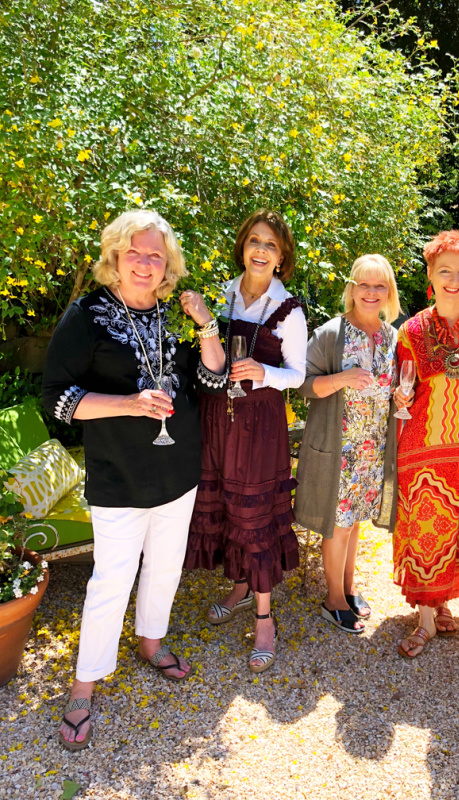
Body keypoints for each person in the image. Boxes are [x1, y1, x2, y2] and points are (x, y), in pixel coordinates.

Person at [42, 210, 227, 750]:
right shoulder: (87, 316)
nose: (145, 264)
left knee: (166, 566)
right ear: (115, 257)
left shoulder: (175, 315)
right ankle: (83, 685)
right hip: (118, 475)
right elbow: (57, 398)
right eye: (135, 253)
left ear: (168, 263)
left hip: (179, 469)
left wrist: (206, 324)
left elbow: (214, 380)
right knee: (111, 580)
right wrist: (127, 403)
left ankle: (151, 641)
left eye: (155, 255)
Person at [184, 209, 307, 673]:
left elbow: (297, 375)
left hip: (260, 426)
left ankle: (264, 620)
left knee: (255, 516)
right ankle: (239, 588)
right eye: (255, 240)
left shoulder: (289, 309)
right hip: (218, 417)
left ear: (281, 257)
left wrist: (264, 371)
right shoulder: (225, 294)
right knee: (227, 507)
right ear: (243, 247)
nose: (261, 250)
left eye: (271, 244)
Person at [393, 230, 459, 657]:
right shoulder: (412, 331)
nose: (453, 280)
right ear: (430, 275)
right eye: (445, 271)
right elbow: (402, 388)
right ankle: (425, 620)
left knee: (458, 529)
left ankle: (443, 602)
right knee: (426, 532)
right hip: (424, 452)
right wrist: (398, 396)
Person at [295, 255, 400, 633]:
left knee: (354, 523)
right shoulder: (331, 333)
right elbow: (302, 384)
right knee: (337, 526)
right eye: (364, 284)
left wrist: (400, 397)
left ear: (389, 292)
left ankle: (349, 587)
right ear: (351, 289)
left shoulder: (391, 336)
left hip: (373, 449)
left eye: (379, 285)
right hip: (339, 451)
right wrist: (342, 378)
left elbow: (392, 387)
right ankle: (333, 600)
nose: (371, 292)